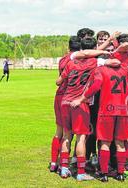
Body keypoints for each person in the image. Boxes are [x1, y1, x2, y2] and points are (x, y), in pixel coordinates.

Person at [70, 62, 128, 182]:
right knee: (121, 143)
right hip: (123, 110)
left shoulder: (101, 70)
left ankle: (104, 174)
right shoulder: (124, 68)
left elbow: (96, 86)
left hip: (107, 110)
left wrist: (81, 99)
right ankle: (121, 173)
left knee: (105, 143)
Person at [56, 37, 120, 181]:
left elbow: (58, 81)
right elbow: (115, 62)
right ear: (93, 49)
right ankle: (80, 173)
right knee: (81, 138)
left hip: (65, 101)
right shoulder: (95, 62)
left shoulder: (71, 62)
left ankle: (64, 169)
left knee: (66, 136)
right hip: (79, 104)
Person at [49, 36, 81, 172]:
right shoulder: (77, 59)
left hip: (59, 95)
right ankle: (64, 164)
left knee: (59, 132)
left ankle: (53, 162)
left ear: (68, 47)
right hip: (70, 96)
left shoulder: (63, 59)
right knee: (68, 133)